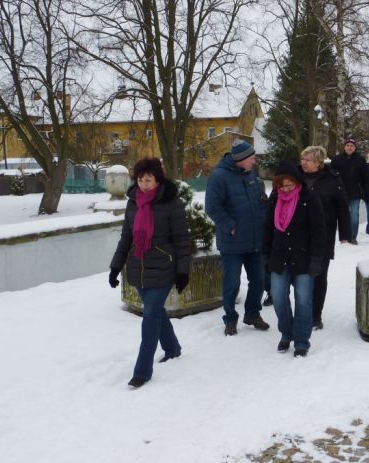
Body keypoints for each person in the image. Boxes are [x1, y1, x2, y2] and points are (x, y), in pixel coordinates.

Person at [109, 157, 191, 389]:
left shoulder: (172, 203)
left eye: (149, 180)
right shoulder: (133, 203)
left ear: (158, 179)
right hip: (138, 268)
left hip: (164, 267)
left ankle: (142, 371)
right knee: (155, 314)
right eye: (141, 180)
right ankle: (173, 348)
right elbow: (127, 238)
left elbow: (182, 240)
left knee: (150, 318)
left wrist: (183, 271)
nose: (145, 184)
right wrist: (116, 267)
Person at [205, 139, 270, 336]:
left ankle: (252, 314)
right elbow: (212, 207)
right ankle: (230, 319)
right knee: (232, 283)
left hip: (254, 240)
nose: (254, 161)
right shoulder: (219, 176)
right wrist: (230, 226)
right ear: (241, 159)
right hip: (232, 243)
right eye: (252, 158)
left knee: (258, 281)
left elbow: (258, 203)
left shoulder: (250, 174)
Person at [264, 161, 326, 357]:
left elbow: (319, 230)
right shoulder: (274, 198)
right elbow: (267, 229)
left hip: (304, 258)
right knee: (279, 299)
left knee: (304, 301)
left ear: (297, 181)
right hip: (279, 256)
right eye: (282, 185)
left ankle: (301, 341)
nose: (286, 188)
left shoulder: (309, 197)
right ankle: (286, 333)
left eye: (289, 184)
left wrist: (317, 259)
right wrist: (265, 256)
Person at [299, 145, 350, 330]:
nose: (303, 163)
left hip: (324, 235)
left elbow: (343, 207)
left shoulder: (332, 179)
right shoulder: (296, 177)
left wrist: (345, 234)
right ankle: (302, 311)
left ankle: (315, 315)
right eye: (302, 159)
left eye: (307, 160)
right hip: (299, 235)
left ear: (318, 162)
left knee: (319, 275)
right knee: (301, 274)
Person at [331, 138, 368, 244]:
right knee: (342, 215)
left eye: (352, 145)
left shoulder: (360, 160)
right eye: (348, 145)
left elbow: (365, 177)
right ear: (344, 147)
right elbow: (331, 175)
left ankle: (352, 237)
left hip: (355, 192)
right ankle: (344, 237)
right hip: (340, 192)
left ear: (355, 147)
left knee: (354, 216)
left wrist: (366, 191)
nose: (349, 147)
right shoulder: (337, 159)